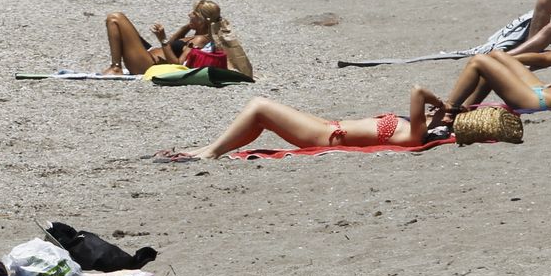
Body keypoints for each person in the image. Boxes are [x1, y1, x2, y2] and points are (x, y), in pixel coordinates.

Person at [155, 87, 443, 162]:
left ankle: (211, 152)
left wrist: (443, 104)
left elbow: (417, 91)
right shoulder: (414, 127)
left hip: (326, 136)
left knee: (260, 106)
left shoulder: (415, 134)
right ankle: (205, 149)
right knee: (259, 118)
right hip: (327, 127)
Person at [101, 0, 254, 78]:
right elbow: (174, 44)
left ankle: (116, 67)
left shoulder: (200, 40)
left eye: (193, 14)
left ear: (201, 20)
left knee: (115, 18)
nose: (189, 15)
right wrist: (186, 27)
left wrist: (163, 40)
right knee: (121, 25)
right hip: (149, 57)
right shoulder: (196, 35)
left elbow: (178, 64)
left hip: (147, 65)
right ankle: (115, 66)